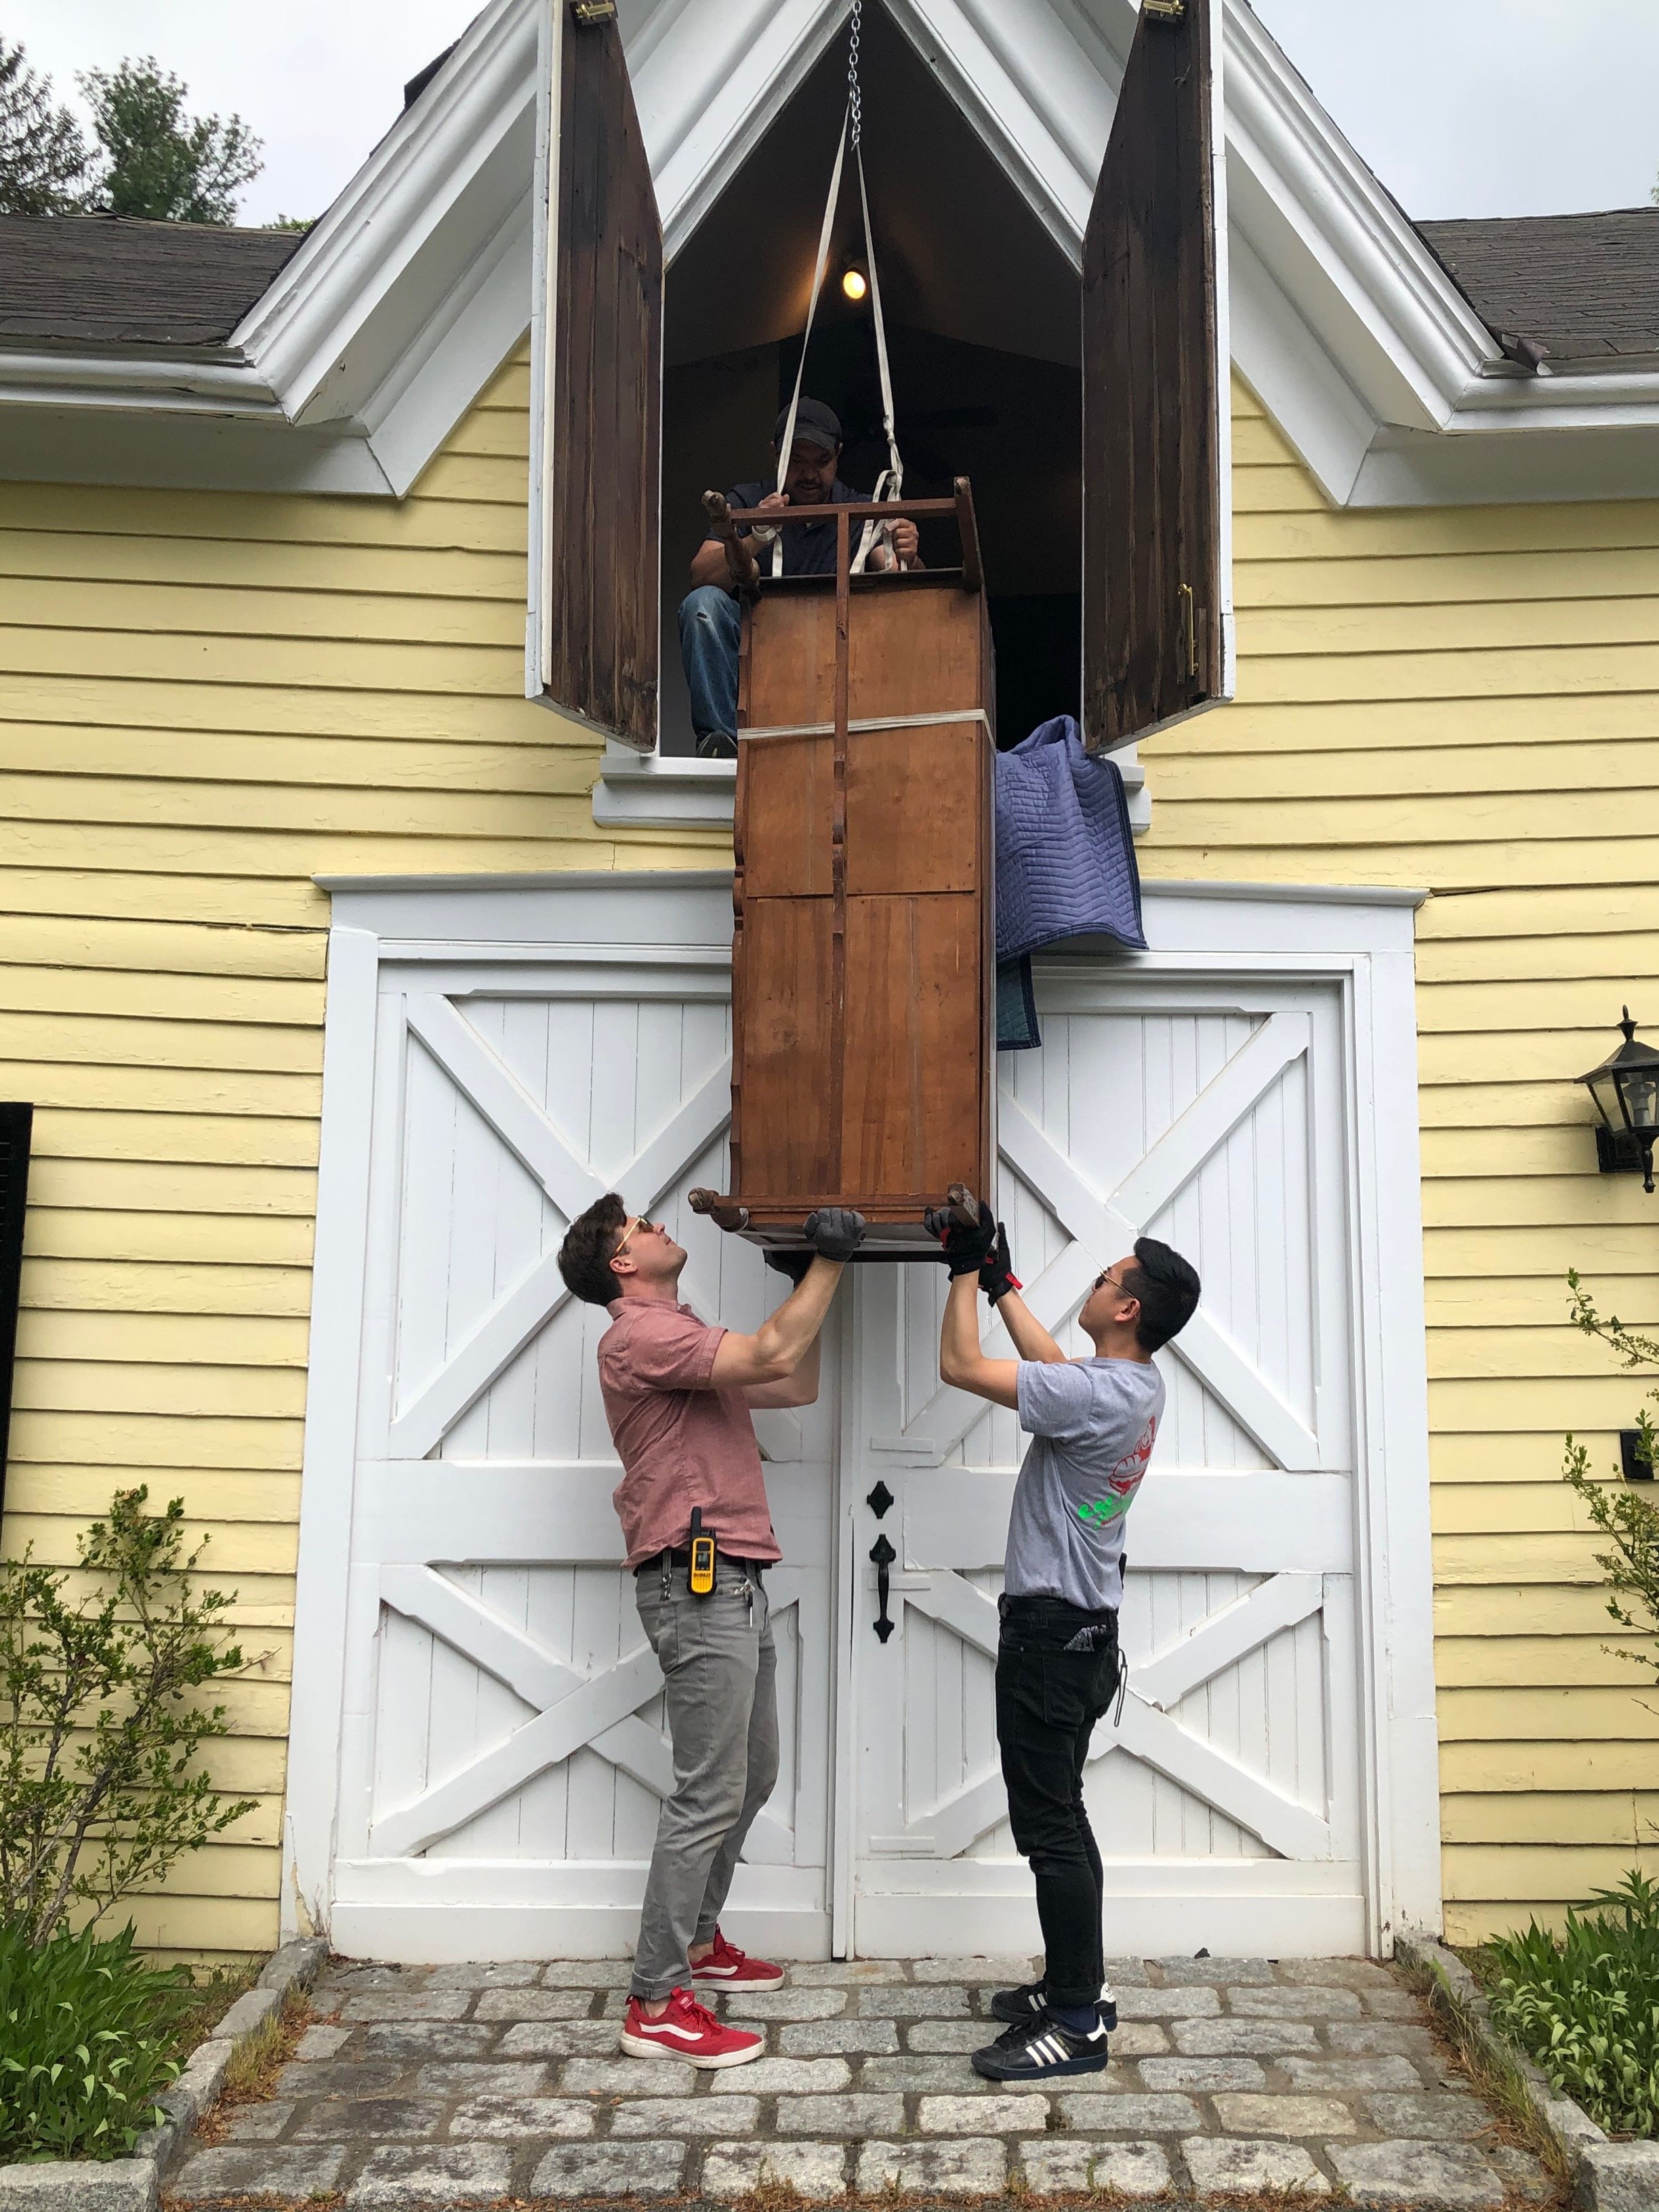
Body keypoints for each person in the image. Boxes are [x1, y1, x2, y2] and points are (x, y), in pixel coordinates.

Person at [556, 1196, 865, 2068]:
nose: (657, 1229)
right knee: (706, 1790)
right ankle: (656, 2000)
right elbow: (774, 1348)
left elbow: (792, 1377)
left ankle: (695, 1941)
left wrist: (810, 1277)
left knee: (750, 1772)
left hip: (730, 1575)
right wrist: (829, 1264)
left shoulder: (681, 1335)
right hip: (698, 1581)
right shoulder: (639, 1335)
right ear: (622, 1265)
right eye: (641, 1228)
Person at [933, 1214, 1201, 2082]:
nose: (1093, 1282)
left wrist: (965, 1275)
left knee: (1049, 1829)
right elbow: (1056, 1373)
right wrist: (1008, 1284)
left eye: (1105, 1277)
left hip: (1051, 1636)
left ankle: (1078, 2023)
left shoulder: (1094, 1394)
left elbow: (960, 1368)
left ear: (1124, 1308)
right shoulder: (1133, 1385)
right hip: (1084, 1636)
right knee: (1067, 1820)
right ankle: (1076, 1984)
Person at [679, 397, 921, 756]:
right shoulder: (749, 499)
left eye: (822, 462)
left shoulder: (861, 509)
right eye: (797, 460)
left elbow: (898, 577)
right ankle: (723, 745)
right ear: (775, 453)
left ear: (838, 455)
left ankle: (883, 744)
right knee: (703, 606)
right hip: (761, 648)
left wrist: (909, 556)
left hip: (837, 654)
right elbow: (701, 576)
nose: (810, 474)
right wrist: (755, 536)